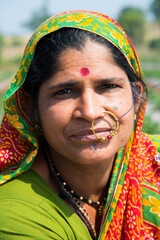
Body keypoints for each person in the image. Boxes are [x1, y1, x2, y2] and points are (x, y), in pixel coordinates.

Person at [0, 10, 159, 240]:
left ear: (137, 98)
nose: (91, 112)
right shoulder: (14, 212)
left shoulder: (154, 164)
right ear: (31, 108)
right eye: (64, 91)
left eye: (108, 86)